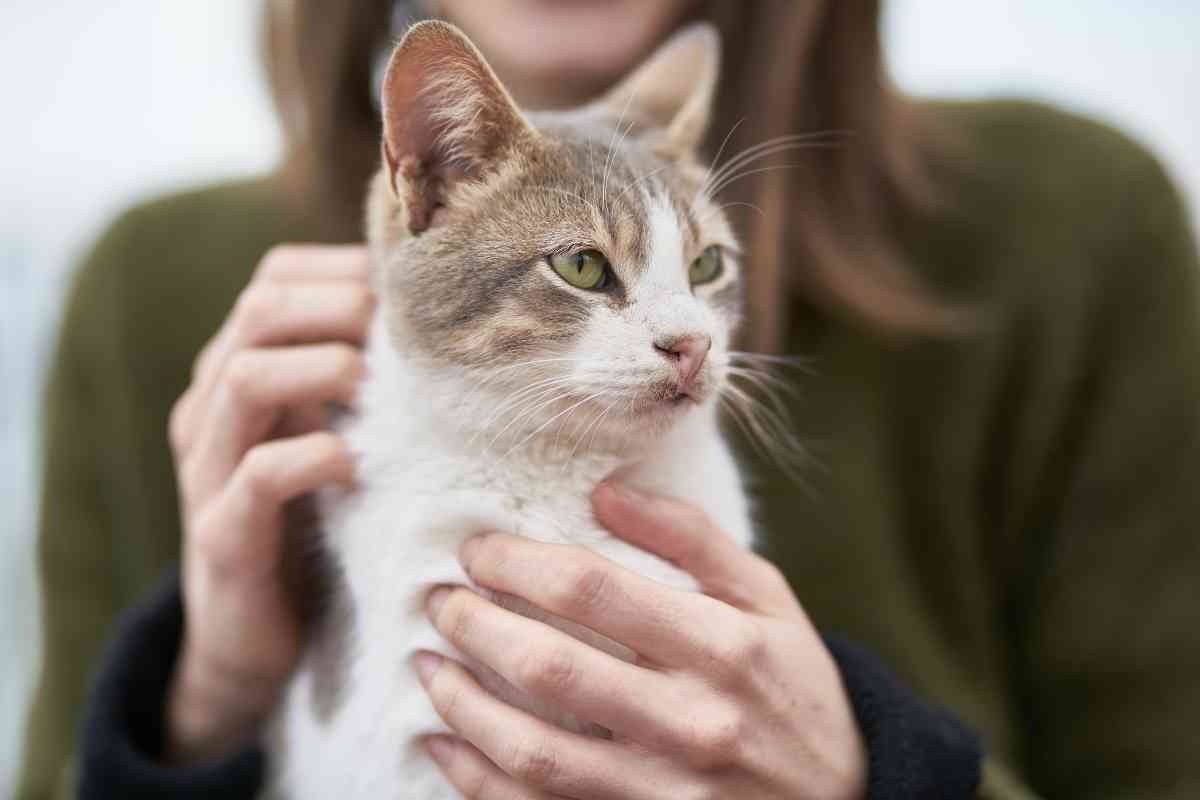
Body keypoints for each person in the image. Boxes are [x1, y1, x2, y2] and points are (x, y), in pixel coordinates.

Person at [17, 1, 1200, 798]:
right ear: (423, 173)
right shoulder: (150, 293)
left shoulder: (1075, 227)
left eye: (703, 270)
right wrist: (207, 705)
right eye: (587, 267)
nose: (687, 343)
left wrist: (874, 771)